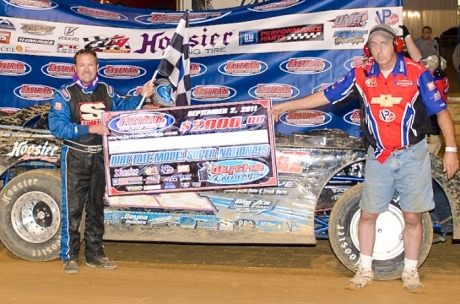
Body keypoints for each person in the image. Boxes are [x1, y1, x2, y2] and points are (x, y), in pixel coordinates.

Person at [271, 24, 458, 292]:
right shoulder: (361, 74)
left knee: (413, 217)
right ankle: (365, 268)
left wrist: (450, 150)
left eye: (384, 44)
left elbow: (440, 111)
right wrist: (284, 106)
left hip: (412, 155)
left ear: (396, 45)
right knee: (368, 214)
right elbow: (326, 96)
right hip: (379, 156)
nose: (379, 49)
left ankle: (410, 270)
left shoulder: (417, 73)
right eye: (373, 45)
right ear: (367, 49)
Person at [48, 48, 154, 274]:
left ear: (97, 67)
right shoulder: (65, 94)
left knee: (96, 208)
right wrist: (89, 127)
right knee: (73, 209)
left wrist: (142, 94)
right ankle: (69, 256)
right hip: (75, 155)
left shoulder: (107, 90)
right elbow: (57, 127)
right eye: (82, 65)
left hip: (99, 155)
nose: (86, 70)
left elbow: (125, 109)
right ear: (75, 69)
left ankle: (95, 255)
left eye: (91, 65)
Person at [401, 24, 449, 156]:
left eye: (429, 66)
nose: (425, 66)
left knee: (427, 165)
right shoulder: (438, 77)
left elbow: (417, 61)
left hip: (431, 134)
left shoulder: (434, 82)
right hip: (429, 131)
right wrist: (407, 36)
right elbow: (418, 59)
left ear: (436, 71)